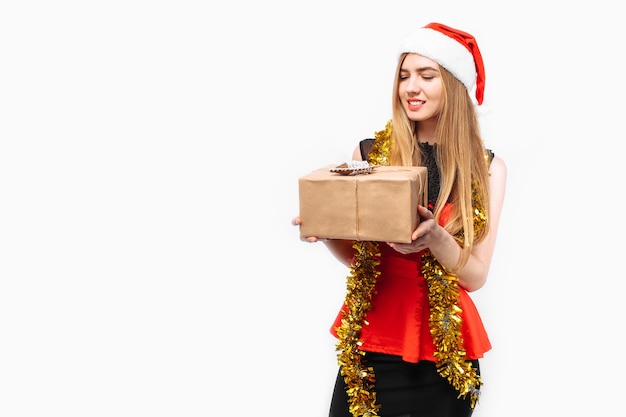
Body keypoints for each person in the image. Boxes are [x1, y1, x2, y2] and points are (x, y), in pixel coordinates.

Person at [292, 22, 506, 417]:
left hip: (447, 353)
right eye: (404, 76)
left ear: (455, 85)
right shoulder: (370, 154)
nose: (411, 87)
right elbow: (364, 259)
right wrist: (325, 231)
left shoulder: (487, 168)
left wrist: (435, 238)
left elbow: (475, 277)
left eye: (427, 76)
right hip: (373, 337)